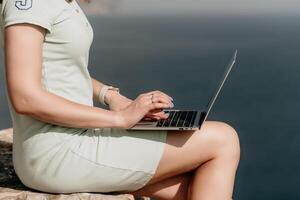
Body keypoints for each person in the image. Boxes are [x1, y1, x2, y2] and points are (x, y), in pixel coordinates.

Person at [0, 0, 240, 199]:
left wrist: (111, 97)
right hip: (56, 151)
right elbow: (25, 97)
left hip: (73, 138)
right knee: (223, 140)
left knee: (195, 186)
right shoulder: (31, 4)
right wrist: (119, 118)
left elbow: (64, 69)